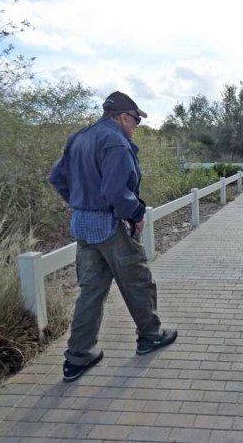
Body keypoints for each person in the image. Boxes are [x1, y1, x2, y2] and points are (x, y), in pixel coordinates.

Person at [49, 91, 177, 382]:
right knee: (138, 282)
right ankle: (150, 336)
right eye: (135, 120)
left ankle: (78, 357)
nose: (136, 126)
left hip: (83, 224)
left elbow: (56, 177)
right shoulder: (116, 141)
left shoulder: (78, 138)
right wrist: (136, 213)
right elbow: (116, 192)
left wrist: (80, 201)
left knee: (90, 291)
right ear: (121, 117)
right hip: (110, 224)